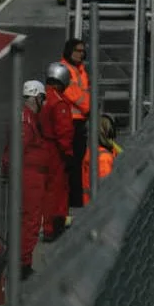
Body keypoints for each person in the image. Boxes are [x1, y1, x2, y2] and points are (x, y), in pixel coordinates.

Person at [0, 79, 55, 302]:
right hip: (29, 178)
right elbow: (17, 150)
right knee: (30, 221)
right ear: (36, 97)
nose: (43, 103)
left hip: (30, 176)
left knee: (28, 221)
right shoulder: (26, 121)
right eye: (42, 99)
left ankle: (21, 262)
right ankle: (22, 265)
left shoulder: (26, 119)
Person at [39, 61, 76, 240]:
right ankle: (53, 227)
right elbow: (64, 132)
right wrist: (68, 154)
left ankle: (45, 226)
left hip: (38, 148)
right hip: (55, 151)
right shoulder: (59, 103)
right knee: (57, 190)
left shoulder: (39, 97)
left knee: (43, 190)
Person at [60, 38, 91, 207]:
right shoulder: (65, 70)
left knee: (78, 163)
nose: (81, 54)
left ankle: (76, 199)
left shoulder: (80, 70)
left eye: (82, 51)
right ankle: (73, 201)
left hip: (79, 122)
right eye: (77, 51)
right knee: (72, 164)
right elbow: (73, 94)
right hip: (70, 122)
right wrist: (89, 107)